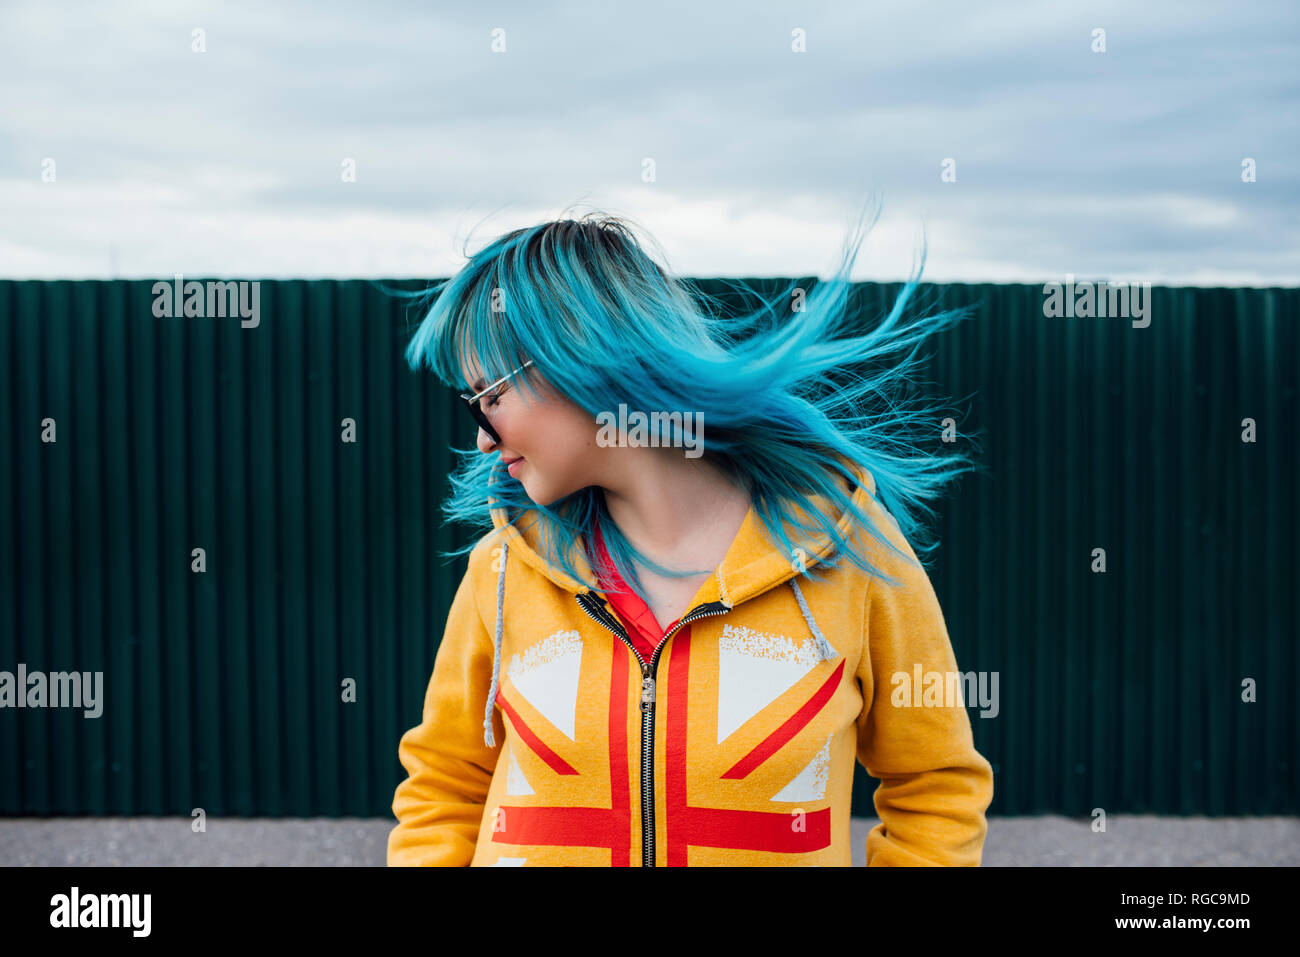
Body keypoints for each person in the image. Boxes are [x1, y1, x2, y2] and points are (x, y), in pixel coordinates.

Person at [386, 203, 993, 866]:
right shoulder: (502, 569)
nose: (480, 434)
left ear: (575, 357)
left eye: (489, 395)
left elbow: (935, 788)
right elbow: (444, 786)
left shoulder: (852, 548)